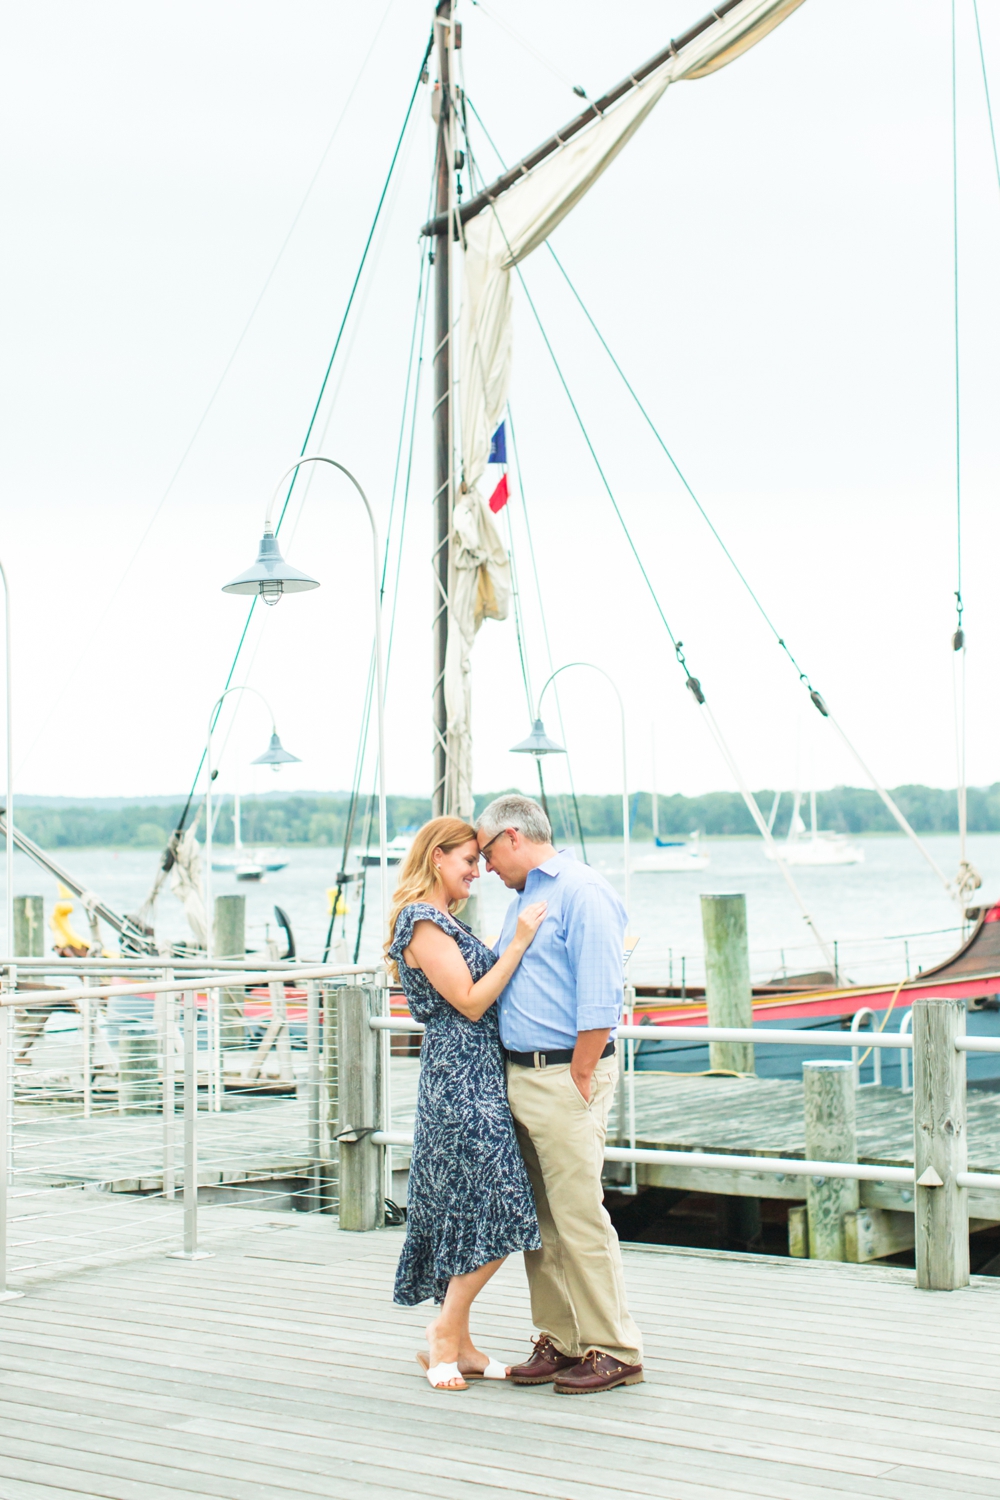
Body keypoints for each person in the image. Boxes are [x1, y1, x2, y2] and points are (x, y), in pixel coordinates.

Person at [477, 793, 644, 1395]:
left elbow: (601, 992)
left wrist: (578, 1073)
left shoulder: (582, 890)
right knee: (541, 1220)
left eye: (488, 851)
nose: (486, 866)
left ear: (514, 837)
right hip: (523, 1074)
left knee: (578, 1218)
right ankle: (563, 1338)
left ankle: (615, 1348)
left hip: (562, 1075)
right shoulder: (523, 899)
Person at [386, 816, 547, 1391]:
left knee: (468, 1208)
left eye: (480, 860)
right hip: (459, 1080)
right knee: (502, 1205)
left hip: (476, 1072)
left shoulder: (448, 921)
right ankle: (445, 1334)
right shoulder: (422, 921)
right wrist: (521, 941)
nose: (477, 870)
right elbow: (472, 1001)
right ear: (437, 858)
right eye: (467, 860)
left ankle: (467, 1345)